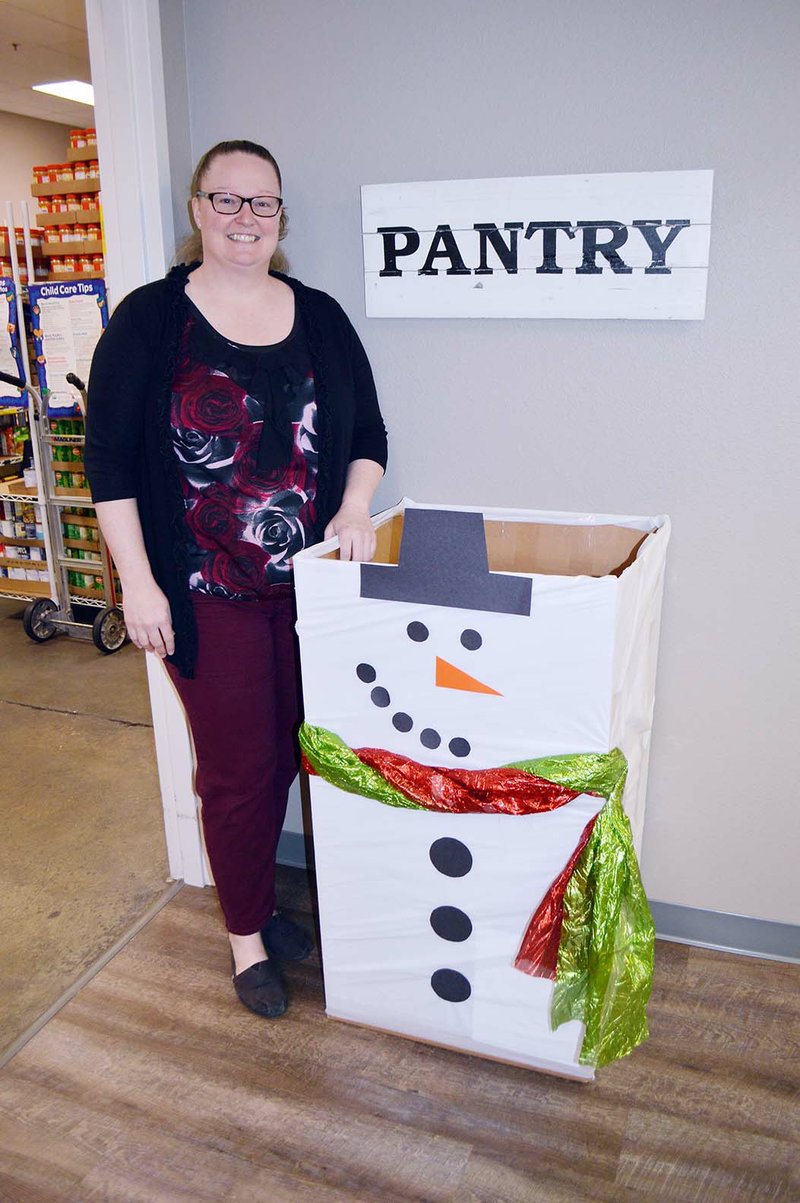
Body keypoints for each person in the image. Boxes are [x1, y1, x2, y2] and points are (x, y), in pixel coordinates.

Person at [85, 139, 387, 1019]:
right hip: (204, 595)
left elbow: (368, 432)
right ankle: (247, 940)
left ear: (281, 216)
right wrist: (137, 583)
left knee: (298, 755)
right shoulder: (149, 320)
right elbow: (110, 466)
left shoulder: (322, 316)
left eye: (263, 203)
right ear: (197, 208)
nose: (245, 218)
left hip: (313, 594)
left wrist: (356, 508)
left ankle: (259, 899)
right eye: (227, 200)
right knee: (237, 769)